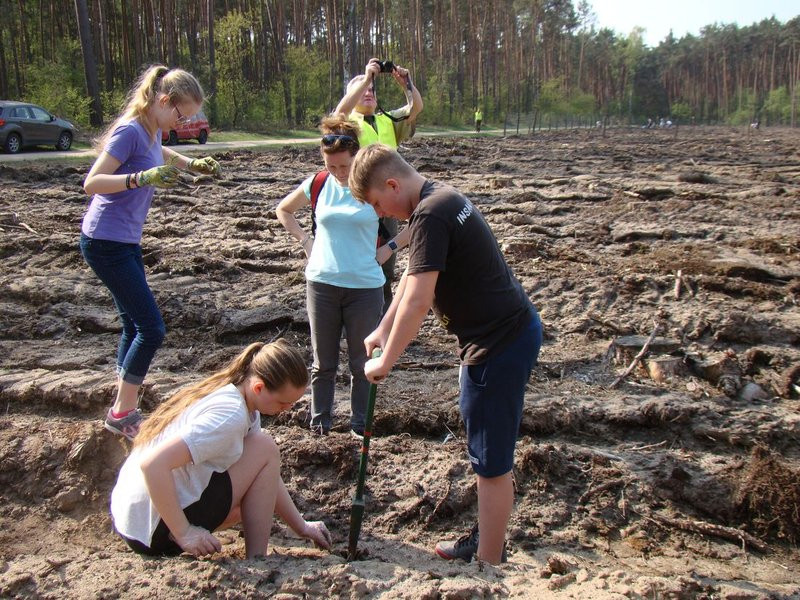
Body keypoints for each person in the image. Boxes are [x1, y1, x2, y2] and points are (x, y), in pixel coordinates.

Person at [348, 144, 543, 565]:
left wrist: (385, 363)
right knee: (488, 448)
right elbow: (413, 278)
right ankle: (488, 536)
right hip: (509, 332)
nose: (384, 215)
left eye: (380, 204)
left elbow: (419, 301)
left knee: (490, 461)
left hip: (498, 344)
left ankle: (489, 563)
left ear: (393, 184)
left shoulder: (431, 214)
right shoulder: (440, 199)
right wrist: (383, 327)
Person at [80, 65, 221, 440]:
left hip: (124, 240)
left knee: (133, 324)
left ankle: (123, 398)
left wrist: (193, 164)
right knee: (151, 328)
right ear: (163, 101)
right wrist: (140, 178)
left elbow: (161, 150)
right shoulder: (129, 130)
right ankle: (122, 412)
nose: (181, 123)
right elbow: (91, 183)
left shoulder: (151, 130)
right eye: (181, 115)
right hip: (105, 242)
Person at [110, 339, 332, 558]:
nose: (287, 409)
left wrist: (301, 527)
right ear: (259, 387)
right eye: (283, 403)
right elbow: (152, 464)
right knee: (265, 447)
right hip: (152, 530)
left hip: (132, 523)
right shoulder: (230, 416)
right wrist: (185, 533)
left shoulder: (239, 397)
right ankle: (257, 559)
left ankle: (256, 556)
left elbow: (266, 473)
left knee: (252, 497)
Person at [276, 115, 390, 437]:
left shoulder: (372, 186)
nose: (339, 174)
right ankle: (320, 426)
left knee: (361, 364)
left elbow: (417, 216)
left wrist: (390, 247)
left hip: (365, 289)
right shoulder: (318, 183)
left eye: (345, 166)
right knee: (322, 364)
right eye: (332, 166)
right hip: (322, 286)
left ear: (357, 155)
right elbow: (283, 210)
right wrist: (305, 241)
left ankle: (359, 426)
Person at [335, 58, 423, 311]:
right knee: (356, 256)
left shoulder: (387, 120)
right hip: (359, 201)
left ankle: (382, 309)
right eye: (362, 91)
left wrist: (406, 83)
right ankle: (353, 309)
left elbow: (414, 107)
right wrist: (365, 79)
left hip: (389, 201)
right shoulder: (349, 123)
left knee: (386, 259)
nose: (368, 93)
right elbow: (339, 112)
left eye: (372, 91)